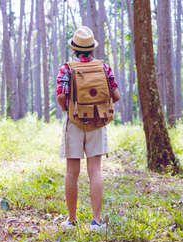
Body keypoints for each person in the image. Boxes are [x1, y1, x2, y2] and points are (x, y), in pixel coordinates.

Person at [56, 26, 120, 231]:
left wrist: (70, 110)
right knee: (95, 171)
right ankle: (96, 221)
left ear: (74, 49)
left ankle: (72, 221)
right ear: (92, 48)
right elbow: (116, 95)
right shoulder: (104, 68)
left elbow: (61, 96)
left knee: (72, 172)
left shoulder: (67, 68)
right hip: (98, 122)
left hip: (74, 122)